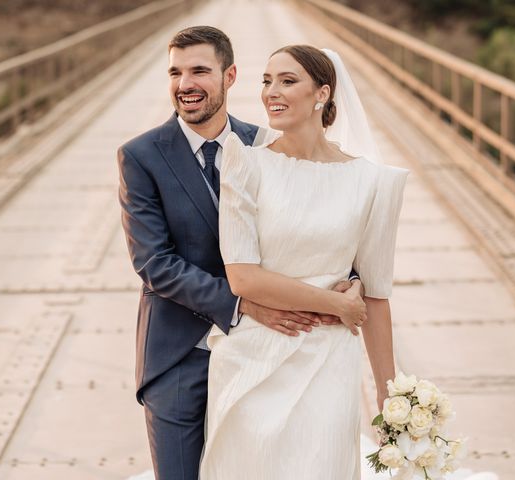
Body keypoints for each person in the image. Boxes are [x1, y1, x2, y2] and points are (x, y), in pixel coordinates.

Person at [117, 28, 365, 480]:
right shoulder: (141, 156)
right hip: (179, 351)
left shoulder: (267, 143)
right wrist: (243, 304)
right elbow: (155, 263)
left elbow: (311, 220)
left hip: (267, 353)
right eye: (175, 72)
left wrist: (347, 276)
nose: (184, 83)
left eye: (199, 71)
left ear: (230, 76)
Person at [198, 44, 410, 480]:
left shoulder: (372, 182)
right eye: (267, 80)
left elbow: (375, 295)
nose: (271, 92)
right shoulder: (245, 163)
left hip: (328, 362)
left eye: (287, 81)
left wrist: (393, 402)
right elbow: (242, 277)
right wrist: (335, 304)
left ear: (322, 94)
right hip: (251, 360)